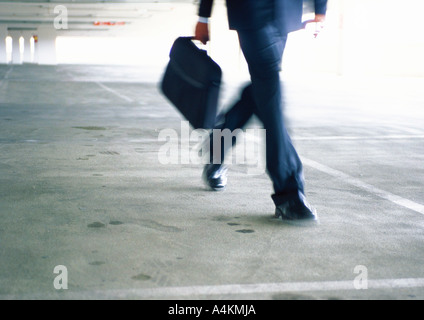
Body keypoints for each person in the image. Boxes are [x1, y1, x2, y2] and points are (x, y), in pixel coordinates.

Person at [194, 0, 327, 223]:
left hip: (284, 13)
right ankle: (288, 193)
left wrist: (320, 10)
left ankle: (219, 142)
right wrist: (203, 17)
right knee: (269, 88)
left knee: (263, 88)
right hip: (251, 11)